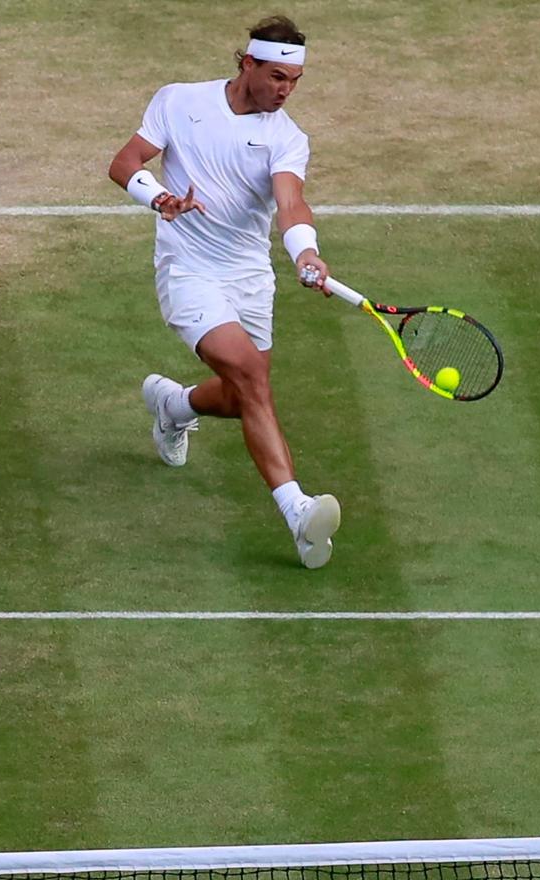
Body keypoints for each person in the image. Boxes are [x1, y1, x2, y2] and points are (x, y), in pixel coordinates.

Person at [108, 14, 340, 569]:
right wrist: (160, 199)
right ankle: (296, 509)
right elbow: (125, 163)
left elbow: (291, 205)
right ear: (247, 64)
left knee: (240, 397)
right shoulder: (180, 102)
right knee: (253, 377)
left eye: (294, 81)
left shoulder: (287, 138)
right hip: (188, 271)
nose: (285, 90)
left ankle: (175, 405)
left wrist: (304, 251)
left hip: (250, 279)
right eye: (276, 76)